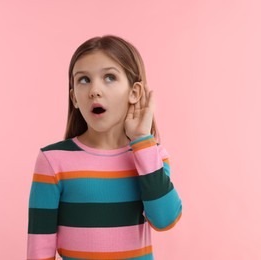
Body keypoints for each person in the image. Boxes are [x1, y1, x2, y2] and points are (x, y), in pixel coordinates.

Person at [27, 35, 182, 260]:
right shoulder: (52, 159)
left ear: (134, 92)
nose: (94, 90)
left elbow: (165, 219)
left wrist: (141, 139)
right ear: (75, 99)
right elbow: (39, 248)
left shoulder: (152, 156)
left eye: (109, 77)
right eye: (83, 80)